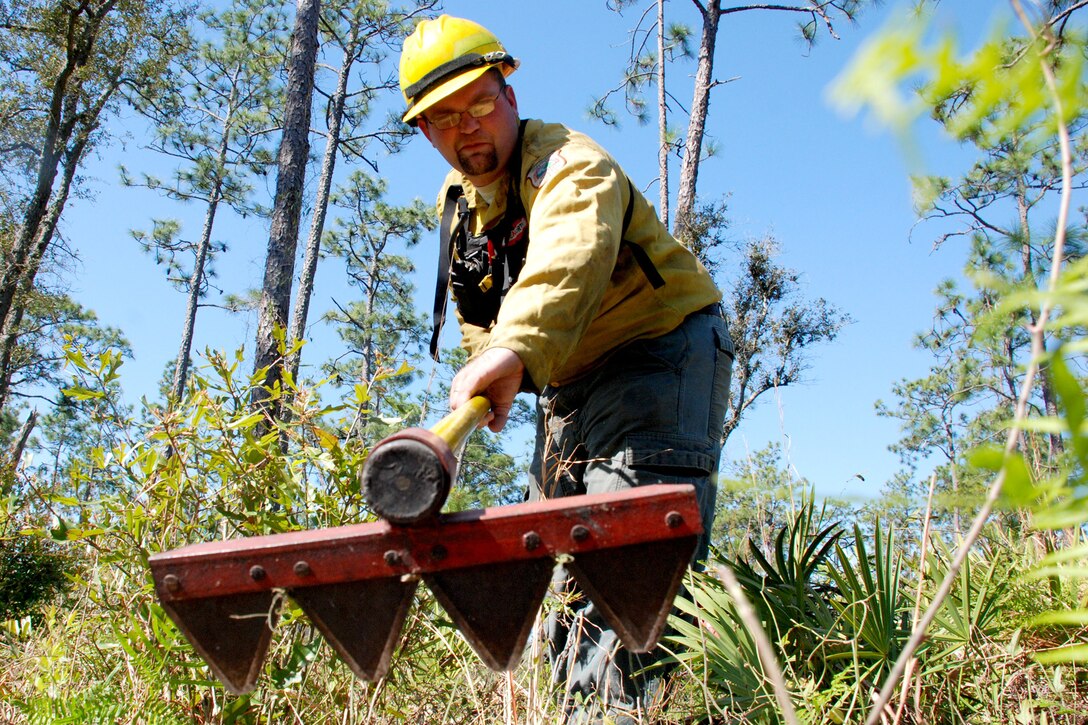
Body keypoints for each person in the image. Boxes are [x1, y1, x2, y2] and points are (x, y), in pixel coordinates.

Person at [399, 15, 734, 723]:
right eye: (443, 119)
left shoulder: (571, 165)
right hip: (565, 378)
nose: (467, 129)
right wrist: (486, 371)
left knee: (626, 562)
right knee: (558, 562)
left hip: (660, 351)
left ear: (510, 92)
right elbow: (476, 301)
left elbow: (567, 260)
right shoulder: (457, 205)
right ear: (425, 132)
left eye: (480, 103)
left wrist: (513, 351)